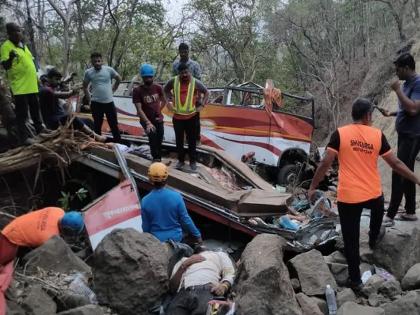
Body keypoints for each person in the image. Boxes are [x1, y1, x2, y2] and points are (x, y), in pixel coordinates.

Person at [308, 98, 420, 291]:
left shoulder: (340, 134)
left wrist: (312, 187)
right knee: (378, 216)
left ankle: (355, 280)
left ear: (353, 114)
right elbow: (396, 164)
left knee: (351, 240)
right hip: (373, 195)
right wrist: (417, 179)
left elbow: (325, 163)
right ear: (368, 115)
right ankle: (373, 237)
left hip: (348, 197)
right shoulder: (377, 135)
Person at [0, 208, 84, 315]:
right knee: (3, 268)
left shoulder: (57, 211)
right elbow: (46, 254)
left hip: (15, 226)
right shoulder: (48, 237)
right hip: (9, 240)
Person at [381, 53, 420, 226]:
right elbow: (405, 108)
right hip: (404, 135)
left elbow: (413, 109)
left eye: (398, 70)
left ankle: (390, 215)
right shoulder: (406, 85)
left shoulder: (418, 83)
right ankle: (410, 212)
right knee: (406, 170)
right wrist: (391, 113)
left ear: (406, 68)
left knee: (398, 171)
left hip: (413, 136)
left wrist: (397, 90)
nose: (396, 73)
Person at [0, 23, 45, 145]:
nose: (19, 34)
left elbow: (31, 63)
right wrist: (10, 58)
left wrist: (38, 79)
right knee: (22, 114)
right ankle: (24, 138)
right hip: (20, 87)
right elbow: (5, 65)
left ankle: (40, 130)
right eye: (16, 32)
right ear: (10, 33)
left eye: (19, 31)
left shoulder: (23, 46)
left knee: (35, 110)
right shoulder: (6, 47)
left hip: (32, 85)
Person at [141, 162, 202, 243]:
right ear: (166, 178)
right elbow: (185, 219)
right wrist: (197, 235)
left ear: (150, 179)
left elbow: (146, 227)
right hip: (175, 238)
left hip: (157, 240)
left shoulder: (145, 201)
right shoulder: (177, 196)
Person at [39, 68, 106, 142]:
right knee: (71, 117)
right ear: (49, 79)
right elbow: (59, 94)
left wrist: (70, 82)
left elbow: (61, 85)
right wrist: (71, 93)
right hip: (53, 122)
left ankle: (94, 137)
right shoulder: (45, 90)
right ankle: (95, 136)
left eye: (59, 80)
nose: (58, 82)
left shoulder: (52, 88)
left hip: (60, 117)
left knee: (88, 121)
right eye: (56, 79)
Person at [164, 64, 209, 171]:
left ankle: (192, 162)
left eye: (186, 72)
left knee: (192, 141)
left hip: (191, 117)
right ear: (179, 73)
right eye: (182, 73)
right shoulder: (173, 81)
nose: (184, 74)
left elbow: (207, 92)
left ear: (190, 72)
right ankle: (180, 161)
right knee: (179, 141)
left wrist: (202, 105)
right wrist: (167, 103)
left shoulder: (195, 82)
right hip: (178, 117)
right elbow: (165, 90)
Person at [166, 246, 235, 315]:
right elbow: (172, 288)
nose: (201, 245)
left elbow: (230, 273)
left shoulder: (219, 254)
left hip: (209, 290)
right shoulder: (183, 260)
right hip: (182, 293)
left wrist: (224, 286)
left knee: (213, 311)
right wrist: (183, 265)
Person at [83, 52, 122, 142]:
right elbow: (84, 87)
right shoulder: (88, 72)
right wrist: (89, 100)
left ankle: (119, 144)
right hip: (96, 103)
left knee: (114, 124)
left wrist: (113, 90)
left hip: (109, 103)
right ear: (91, 62)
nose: (97, 63)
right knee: (97, 125)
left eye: (98, 61)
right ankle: (98, 144)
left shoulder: (109, 70)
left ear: (102, 61)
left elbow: (119, 79)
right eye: (94, 61)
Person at [132, 64, 167, 161]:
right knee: (153, 138)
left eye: (150, 77)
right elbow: (139, 109)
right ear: (142, 77)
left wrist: (159, 111)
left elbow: (164, 100)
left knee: (159, 138)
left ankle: (158, 157)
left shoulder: (158, 87)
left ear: (153, 76)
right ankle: (156, 159)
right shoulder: (137, 91)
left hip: (158, 118)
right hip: (146, 119)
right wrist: (147, 123)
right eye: (146, 77)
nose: (148, 79)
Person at [173, 43, 203, 144]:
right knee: (180, 118)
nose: (183, 53)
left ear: (188, 51)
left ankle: (196, 139)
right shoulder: (175, 65)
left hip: (193, 95)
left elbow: (199, 81)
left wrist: (199, 97)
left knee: (195, 118)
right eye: (181, 51)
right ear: (179, 52)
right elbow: (173, 80)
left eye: (185, 51)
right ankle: (183, 139)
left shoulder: (195, 65)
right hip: (180, 96)